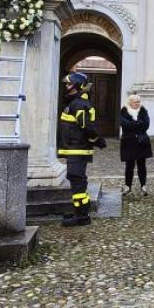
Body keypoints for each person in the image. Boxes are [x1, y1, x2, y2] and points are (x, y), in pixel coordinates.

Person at [57, 72, 106, 227]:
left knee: (77, 182)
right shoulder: (73, 103)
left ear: (79, 86)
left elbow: (87, 128)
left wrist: (98, 141)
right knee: (77, 181)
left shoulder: (79, 104)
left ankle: (82, 216)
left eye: (69, 84)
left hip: (77, 149)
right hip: (74, 149)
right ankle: (79, 212)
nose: (66, 86)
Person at [119, 93, 152, 197]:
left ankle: (143, 186)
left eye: (138, 101)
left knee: (142, 165)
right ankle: (128, 186)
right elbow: (125, 125)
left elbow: (146, 124)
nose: (137, 103)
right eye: (135, 102)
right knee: (129, 165)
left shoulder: (143, 111)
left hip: (141, 142)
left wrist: (134, 124)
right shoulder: (124, 111)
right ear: (130, 102)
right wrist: (138, 124)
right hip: (129, 142)